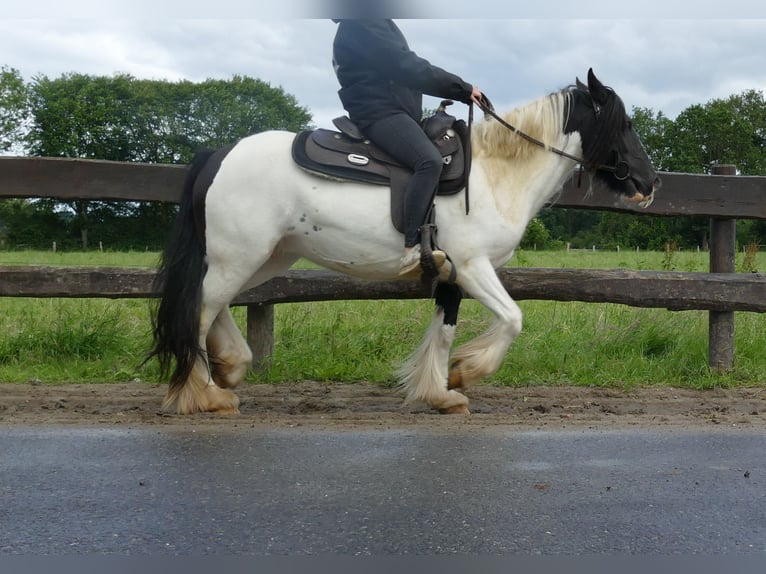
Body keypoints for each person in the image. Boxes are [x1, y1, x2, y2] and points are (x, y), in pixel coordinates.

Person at [332, 19, 484, 275]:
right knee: (429, 161)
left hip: (392, 110)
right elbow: (407, 67)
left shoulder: (367, 21)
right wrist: (461, 88)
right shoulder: (364, 22)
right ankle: (411, 250)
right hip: (380, 112)